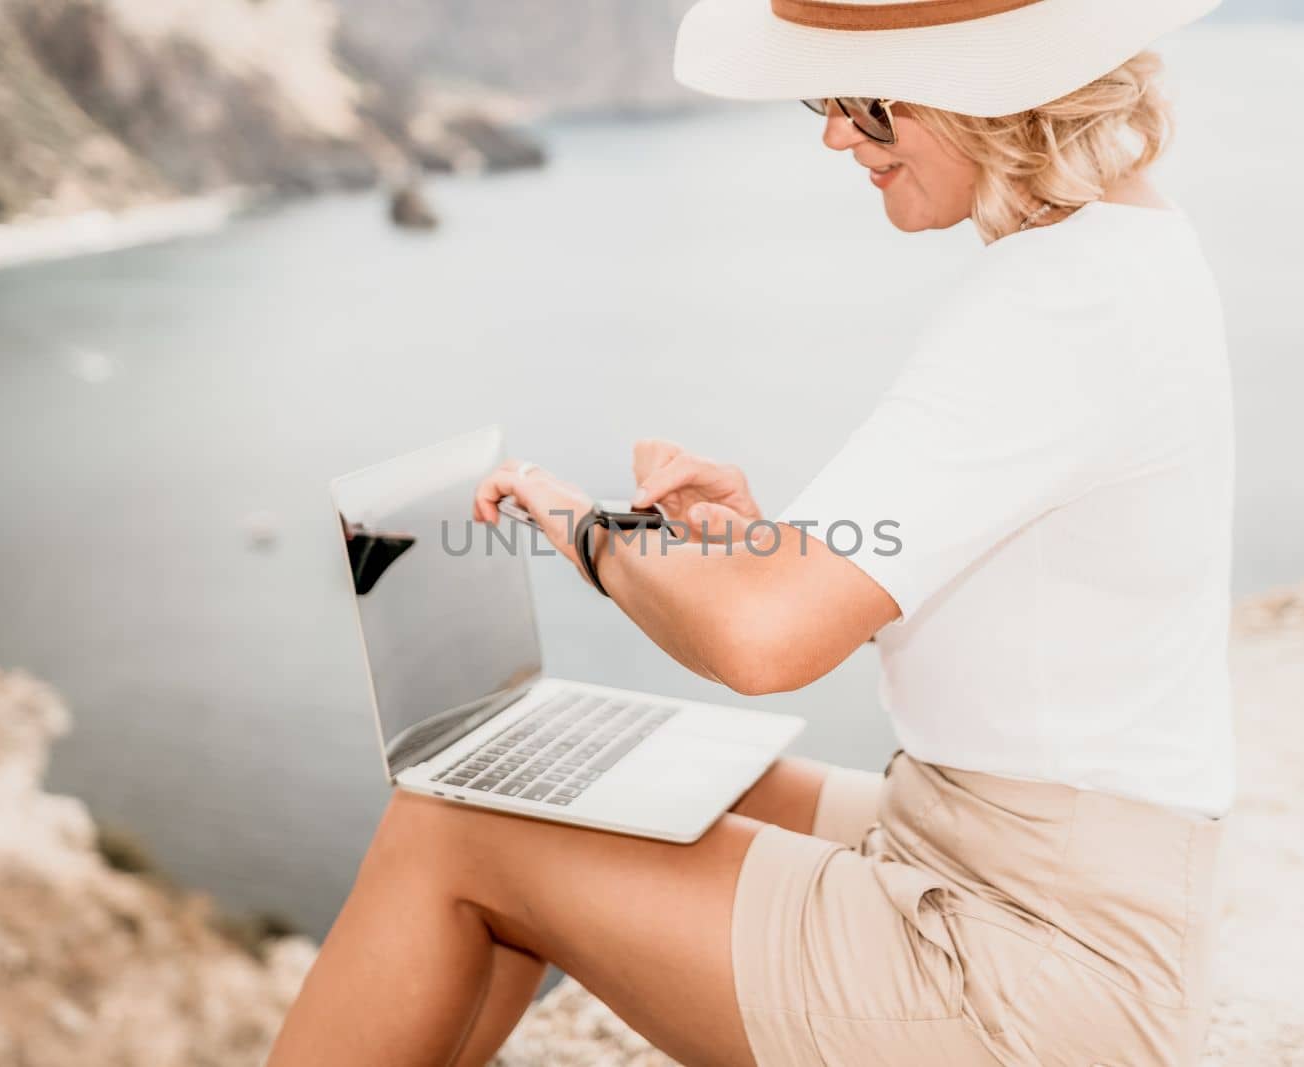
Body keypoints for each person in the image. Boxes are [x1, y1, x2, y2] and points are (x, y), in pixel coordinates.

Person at [268, 0, 1233, 1062]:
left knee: (451, 825)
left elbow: (760, 644)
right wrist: (763, 548)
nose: (832, 135)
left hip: (1034, 963)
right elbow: (992, 591)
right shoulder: (1116, 256)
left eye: (860, 106)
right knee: (564, 778)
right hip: (1021, 858)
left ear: (978, 93)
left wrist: (581, 526)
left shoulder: (1055, 304)